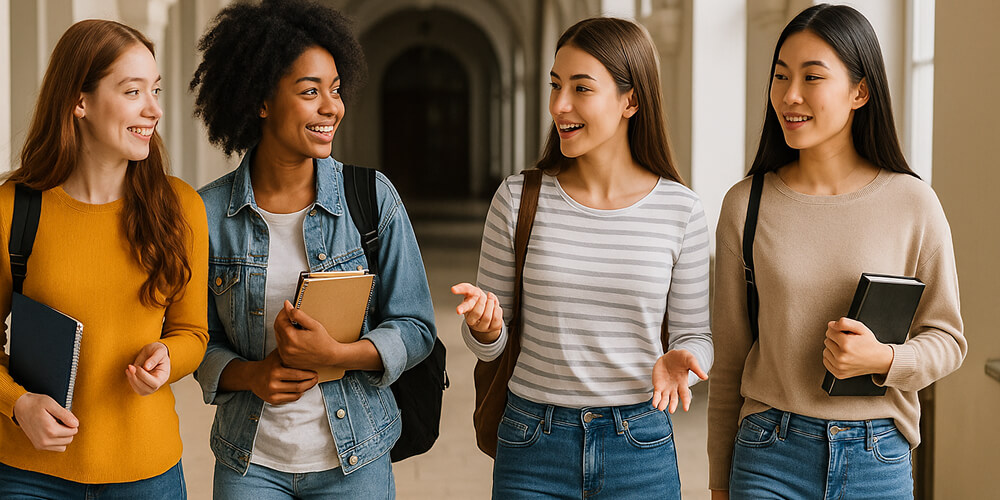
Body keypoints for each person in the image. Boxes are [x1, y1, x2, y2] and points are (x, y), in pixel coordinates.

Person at [707, 4, 967, 499]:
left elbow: (949, 339)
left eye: (812, 77)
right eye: (780, 76)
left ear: (860, 91)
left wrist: (885, 359)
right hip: (768, 453)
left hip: (877, 458)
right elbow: (730, 361)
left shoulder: (913, 203)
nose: (790, 95)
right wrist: (719, 482)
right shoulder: (746, 204)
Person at [452, 17, 712, 499]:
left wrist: (689, 358)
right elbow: (491, 346)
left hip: (640, 445)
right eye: (555, 85)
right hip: (532, 441)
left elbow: (695, 332)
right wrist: (486, 330)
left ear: (630, 100)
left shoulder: (681, 209)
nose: (559, 105)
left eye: (581, 88)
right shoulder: (517, 199)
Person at [190, 1, 436, 498]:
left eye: (336, 90)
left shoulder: (371, 198)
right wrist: (251, 374)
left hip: (356, 457)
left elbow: (416, 327)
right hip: (250, 461)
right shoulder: (208, 214)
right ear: (260, 101)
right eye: (310, 92)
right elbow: (197, 340)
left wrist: (341, 354)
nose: (332, 107)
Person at [0, 19, 208, 499]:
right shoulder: (14, 208)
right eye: (133, 91)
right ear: (80, 101)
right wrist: (18, 404)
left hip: (147, 474)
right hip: (28, 474)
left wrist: (167, 357)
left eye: (155, 90)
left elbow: (193, 333)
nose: (154, 109)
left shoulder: (180, 207)